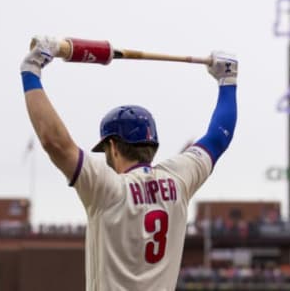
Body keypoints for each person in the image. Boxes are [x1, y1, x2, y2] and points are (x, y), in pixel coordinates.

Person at [20, 36, 238, 290]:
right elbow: (218, 136)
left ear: (112, 146)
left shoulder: (107, 188)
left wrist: (31, 70)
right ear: (152, 145)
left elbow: (55, 143)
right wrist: (228, 81)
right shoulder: (179, 179)